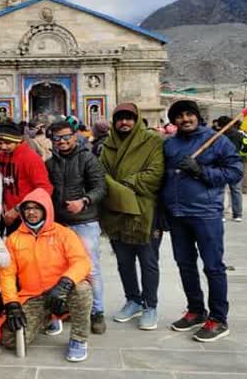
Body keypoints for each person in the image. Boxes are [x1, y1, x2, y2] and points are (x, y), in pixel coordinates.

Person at [162, 100, 243, 342]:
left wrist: (200, 171)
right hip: (178, 214)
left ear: (197, 116)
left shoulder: (217, 140)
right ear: (173, 120)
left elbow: (235, 171)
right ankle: (196, 310)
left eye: (189, 115)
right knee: (185, 264)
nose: (185, 119)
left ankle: (218, 319)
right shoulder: (171, 144)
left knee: (213, 267)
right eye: (179, 116)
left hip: (206, 213)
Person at [0, 188, 93, 362]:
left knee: (82, 289)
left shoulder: (64, 233)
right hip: (33, 296)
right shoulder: (13, 239)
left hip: (61, 292)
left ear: (46, 210)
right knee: (10, 340)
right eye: (27, 208)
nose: (31, 212)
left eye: (37, 208)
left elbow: (82, 262)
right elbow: (7, 274)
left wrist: (65, 283)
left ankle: (79, 339)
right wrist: (11, 304)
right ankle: (48, 318)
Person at [99, 103, 165, 332]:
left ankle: (150, 305)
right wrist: (118, 191)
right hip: (115, 213)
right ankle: (133, 299)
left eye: (129, 118)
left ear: (136, 120)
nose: (124, 123)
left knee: (148, 261)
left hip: (145, 212)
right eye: (120, 119)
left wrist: (124, 186)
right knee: (124, 261)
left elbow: (155, 174)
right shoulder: (108, 146)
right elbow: (101, 175)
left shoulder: (153, 142)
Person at [46, 120, 108, 334]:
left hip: (85, 221)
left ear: (75, 136)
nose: (62, 141)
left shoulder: (87, 158)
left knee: (90, 268)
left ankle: (97, 312)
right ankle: (69, 309)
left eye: (66, 137)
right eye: (57, 138)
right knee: (62, 268)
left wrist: (84, 201)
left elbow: (100, 187)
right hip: (60, 223)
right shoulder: (50, 163)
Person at [0, 121, 53, 235]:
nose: (3, 146)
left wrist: (18, 209)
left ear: (18, 140)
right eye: (0, 143)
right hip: (7, 214)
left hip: (27, 215)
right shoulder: (1, 155)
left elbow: (45, 189)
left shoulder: (31, 158)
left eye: (8, 143)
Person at [218, 116, 247, 221]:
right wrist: (242, 157)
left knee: (220, 189)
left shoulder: (217, 135)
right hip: (236, 163)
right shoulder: (240, 135)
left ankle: (220, 214)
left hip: (221, 164)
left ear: (220, 125)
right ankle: (238, 214)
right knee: (236, 190)